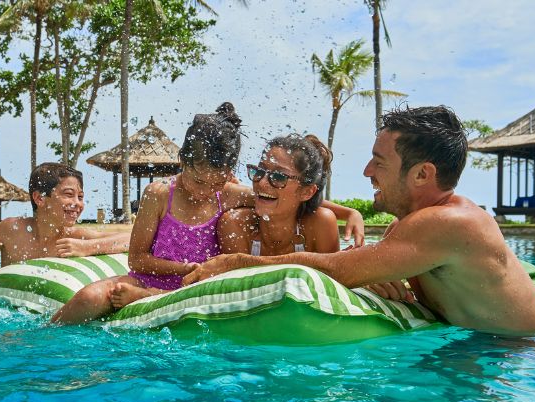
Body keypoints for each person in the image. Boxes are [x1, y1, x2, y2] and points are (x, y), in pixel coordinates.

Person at [184, 105, 535, 335]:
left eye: (379, 161)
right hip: (494, 350)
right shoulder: (408, 229)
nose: (367, 171)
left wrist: (237, 262)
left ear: (422, 174)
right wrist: (382, 277)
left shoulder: (456, 222)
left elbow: (337, 268)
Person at [52, 103, 362, 325]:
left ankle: (147, 297)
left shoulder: (229, 194)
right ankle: (45, 335)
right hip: (149, 277)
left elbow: (287, 198)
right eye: (196, 180)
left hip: (197, 289)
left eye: (212, 183)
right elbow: (137, 259)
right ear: (182, 162)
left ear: (228, 174)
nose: (202, 190)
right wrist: (182, 267)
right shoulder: (159, 195)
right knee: (89, 298)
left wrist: (348, 212)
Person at [0, 162, 129, 267]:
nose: (77, 204)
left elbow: (131, 239)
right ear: (40, 198)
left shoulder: (76, 237)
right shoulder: (11, 230)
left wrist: (86, 248)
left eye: (80, 197)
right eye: (69, 194)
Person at [219, 134, 340, 257]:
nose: (261, 183)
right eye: (259, 171)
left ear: (307, 192)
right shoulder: (236, 224)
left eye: (278, 176)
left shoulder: (320, 225)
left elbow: (331, 273)